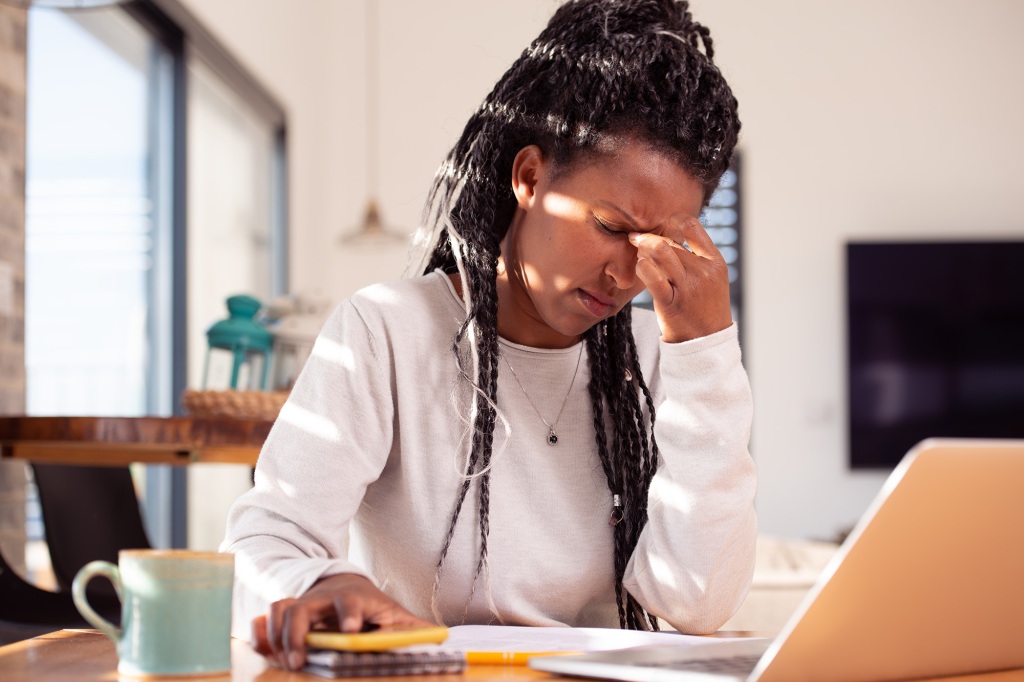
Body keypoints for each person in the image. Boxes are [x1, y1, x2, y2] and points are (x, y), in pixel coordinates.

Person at [221, 0, 757, 671]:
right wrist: (324, 581)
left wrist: (707, 357)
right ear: (529, 177)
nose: (626, 273)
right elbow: (261, 541)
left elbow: (696, 604)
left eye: (658, 243)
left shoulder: (657, 359)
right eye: (612, 227)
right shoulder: (387, 331)